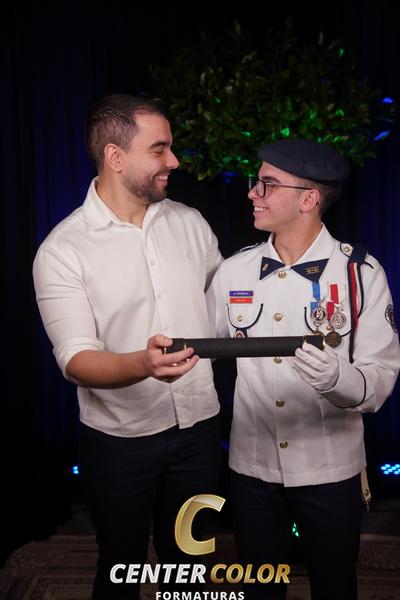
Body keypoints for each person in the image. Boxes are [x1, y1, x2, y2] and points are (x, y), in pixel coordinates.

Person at [33, 94, 223, 600]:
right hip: (118, 442)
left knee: (192, 566)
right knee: (122, 566)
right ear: (116, 157)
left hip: (199, 429)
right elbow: (77, 360)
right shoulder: (63, 250)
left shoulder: (190, 223)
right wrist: (144, 363)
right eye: (159, 149)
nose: (174, 161)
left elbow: (226, 306)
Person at [207, 138, 400, 600]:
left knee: (335, 587)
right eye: (256, 182)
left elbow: (380, 377)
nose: (252, 193)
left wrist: (338, 379)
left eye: (267, 184)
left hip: (329, 470)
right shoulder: (235, 271)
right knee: (260, 588)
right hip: (251, 468)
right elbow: (204, 351)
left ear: (309, 199)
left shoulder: (359, 274)